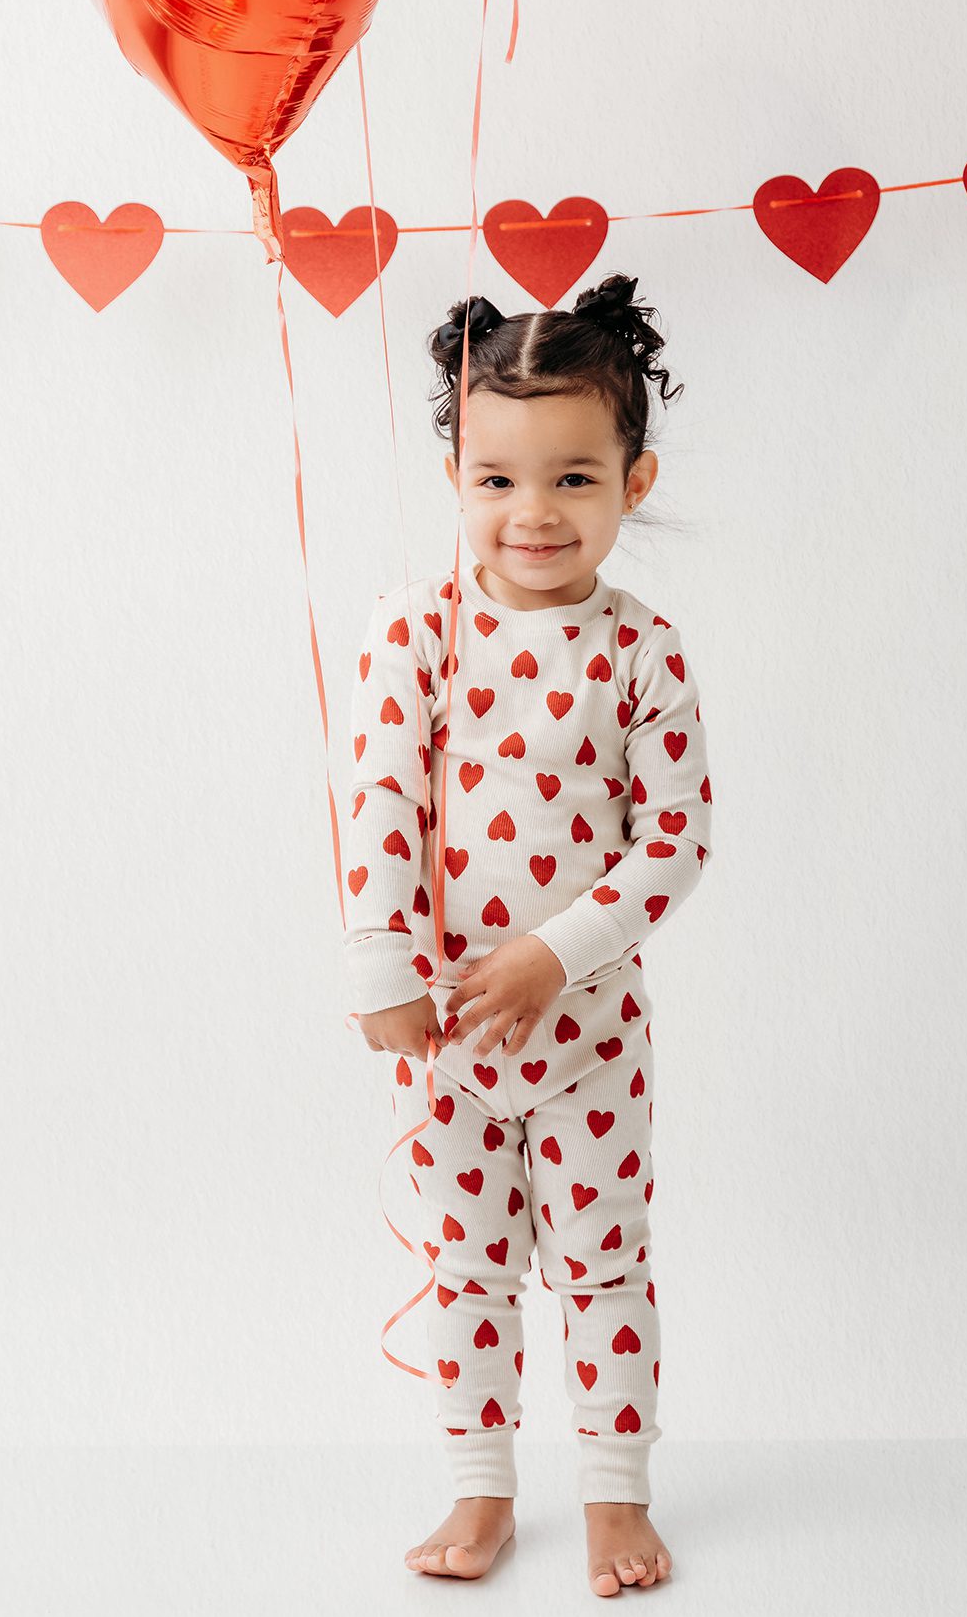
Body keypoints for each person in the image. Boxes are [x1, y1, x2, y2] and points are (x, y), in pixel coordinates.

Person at [342, 272, 713, 1595]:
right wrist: (383, 963)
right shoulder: (421, 634)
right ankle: (482, 1488)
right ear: (457, 473)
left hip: (592, 1035)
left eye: (572, 478)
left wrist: (558, 950)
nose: (534, 514)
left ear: (634, 477)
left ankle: (616, 1494)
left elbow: (675, 842)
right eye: (499, 481)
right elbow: (384, 792)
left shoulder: (644, 654)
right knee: (469, 1267)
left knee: (606, 1265)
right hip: (448, 1039)